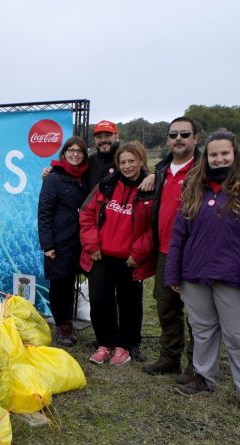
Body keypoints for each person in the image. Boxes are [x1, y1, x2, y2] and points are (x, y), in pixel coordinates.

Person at [166, 129, 240, 419]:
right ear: (206, 157)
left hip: (235, 278)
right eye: (213, 154)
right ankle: (204, 377)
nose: (219, 159)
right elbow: (179, 233)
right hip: (195, 275)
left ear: (235, 154)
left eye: (224, 154)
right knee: (203, 330)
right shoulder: (195, 186)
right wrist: (174, 273)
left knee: (239, 337)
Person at [79, 141, 155, 365]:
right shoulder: (106, 185)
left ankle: (125, 346)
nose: (128, 166)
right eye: (123, 162)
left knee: (129, 304)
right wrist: (92, 246)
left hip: (130, 259)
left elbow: (155, 226)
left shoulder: (150, 189)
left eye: (132, 161)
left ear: (141, 161)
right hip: (100, 256)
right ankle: (105, 343)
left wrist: (138, 253)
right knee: (100, 300)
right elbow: (86, 215)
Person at [142, 117, 200, 380]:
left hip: (195, 252)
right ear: (167, 139)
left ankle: (197, 365)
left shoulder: (204, 169)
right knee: (166, 307)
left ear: (195, 139)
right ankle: (169, 358)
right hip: (165, 251)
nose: (178, 138)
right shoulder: (163, 170)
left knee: (197, 313)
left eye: (184, 134)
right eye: (173, 134)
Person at [37, 136, 90, 347]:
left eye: (79, 151)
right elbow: (44, 213)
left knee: (75, 282)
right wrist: (47, 245)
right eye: (71, 150)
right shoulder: (54, 178)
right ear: (64, 153)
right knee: (61, 286)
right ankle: (63, 327)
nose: (75, 154)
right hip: (60, 242)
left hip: (84, 240)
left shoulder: (87, 177)